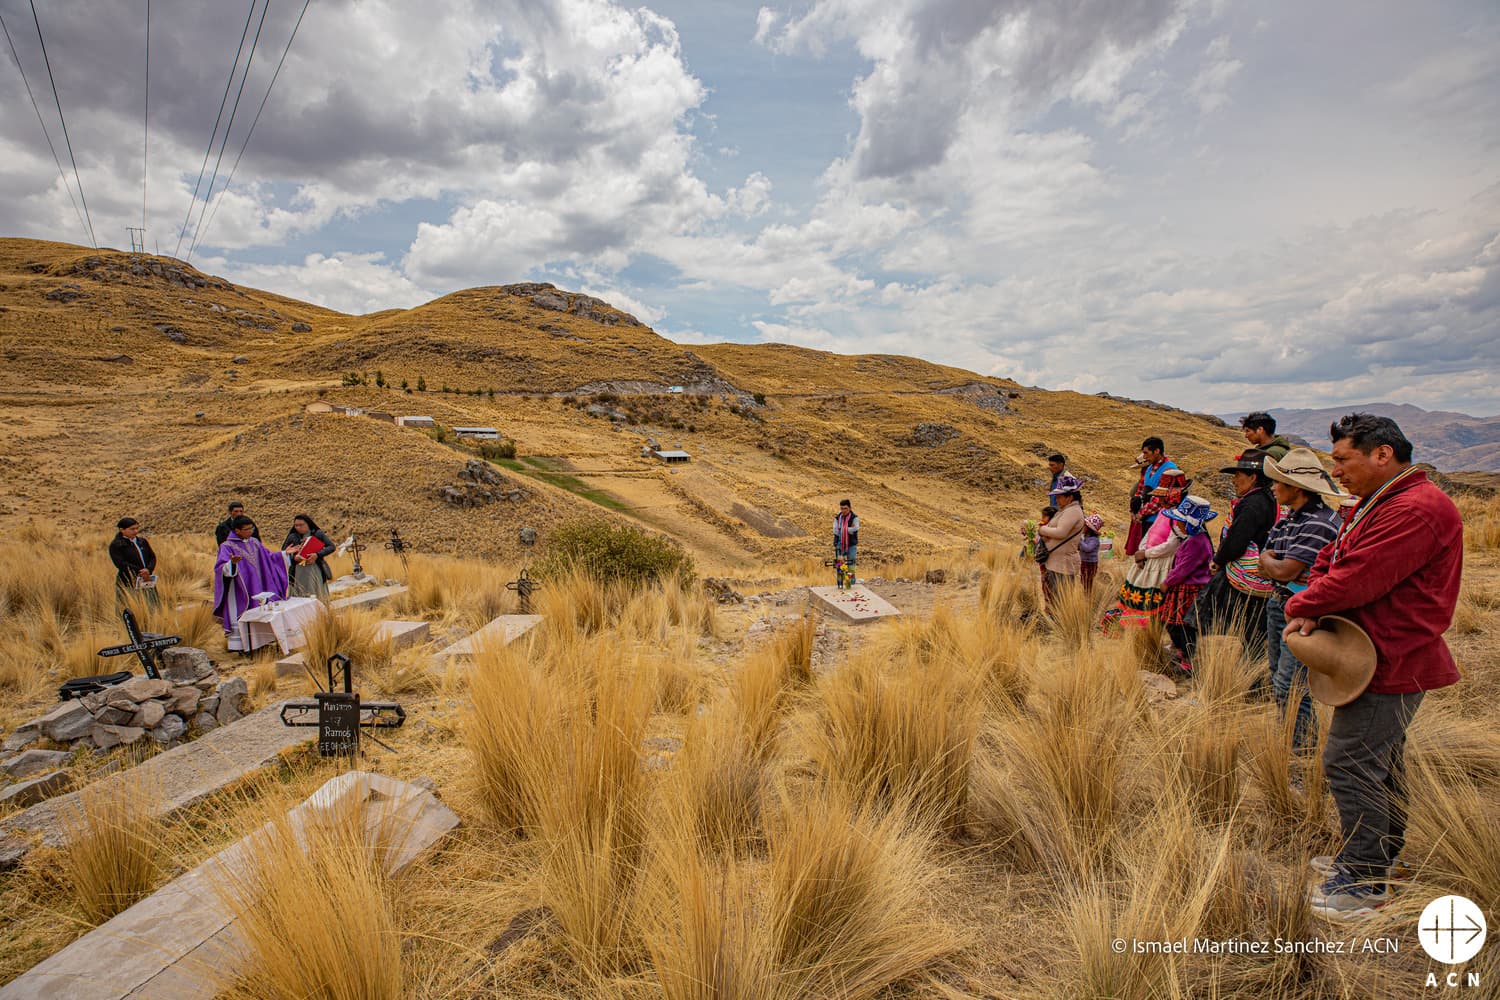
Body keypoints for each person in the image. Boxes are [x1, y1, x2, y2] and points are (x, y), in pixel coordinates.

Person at [1284, 415, 1462, 919]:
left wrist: (1301, 605)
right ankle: (1385, 857)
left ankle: (1364, 880)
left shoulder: (1414, 509)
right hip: (1376, 652)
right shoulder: (1382, 502)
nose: (1336, 471)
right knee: (1380, 761)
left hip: (1390, 657)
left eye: (1343, 459)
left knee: (1349, 761)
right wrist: (1317, 596)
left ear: (1382, 454)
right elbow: (1333, 559)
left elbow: (1358, 577)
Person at [1258, 448, 1346, 752]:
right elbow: (1269, 564)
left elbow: (1283, 569)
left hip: (1303, 611)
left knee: (1290, 685)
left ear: (1296, 487)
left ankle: (1303, 750)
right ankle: (1294, 739)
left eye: (1278, 482)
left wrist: (1272, 563)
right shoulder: (1291, 519)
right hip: (1281, 602)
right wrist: (1273, 564)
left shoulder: (1318, 523)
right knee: (1278, 677)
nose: (1273, 487)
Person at [1177, 449, 1278, 674]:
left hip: (1241, 576)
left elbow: (1236, 540)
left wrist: (1219, 560)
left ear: (1253, 477)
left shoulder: (1252, 504)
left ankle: (1191, 660)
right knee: (1254, 630)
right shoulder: (1269, 500)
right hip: (1260, 579)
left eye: (1238, 475)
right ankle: (1253, 674)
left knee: (1199, 616)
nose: (1234, 480)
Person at [1157, 497, 1218, 675]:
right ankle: (1181, 651)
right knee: (1175, 624)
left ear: (1190, 523)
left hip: (1188, 589)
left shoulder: (1197, 543)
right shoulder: (1196, 538)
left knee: (1183, 627)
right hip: (1185, 587)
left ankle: (1187, 661)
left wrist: (1167, 582)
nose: (1177, 524)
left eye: (1181, 521)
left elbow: (1183, 568)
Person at [213, 516, 289, 652]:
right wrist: (232, 564)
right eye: (246, 529)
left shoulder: (254, 542)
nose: (250, 531)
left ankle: (261, 643)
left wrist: (284, 554)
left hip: (259, 586)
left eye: (251, 528)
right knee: (242, 614)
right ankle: (241, 647)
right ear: (237, 530)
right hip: (239, 589)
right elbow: (220, 568)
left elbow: (269, 557)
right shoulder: (226, 546)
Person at [1126, 437, 1187, 556]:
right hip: (1145, 519)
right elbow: (1140, 489)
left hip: (1160, 521)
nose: (1144, 457)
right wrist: (1134, 510)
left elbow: (1161, 498)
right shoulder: (1149, 468)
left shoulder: (1170, 470)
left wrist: (1141, 513)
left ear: (1157, 451)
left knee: (1154, 553)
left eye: (1146, 453)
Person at [1037, 475, 1085, 612]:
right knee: (1055, 599)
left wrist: (1042, 530)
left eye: (1059, 497)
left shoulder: (1072, 512)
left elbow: (1061, 532)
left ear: (1069, 497)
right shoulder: (1067, 510)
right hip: (1057, 563)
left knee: (1059, 601)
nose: (1056, 500)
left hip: (1062, 565)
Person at [282, 513, 336, 602]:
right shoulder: (292, 537)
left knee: (316, 594)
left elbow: (331, 547)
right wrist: (294, 558)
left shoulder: (317, 534)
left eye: (301, 525)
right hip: (297, 572)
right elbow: (284, 553)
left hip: (314, 570)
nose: (298, 527)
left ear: (308, 524)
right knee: (299, 597)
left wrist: (317, 555)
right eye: (296, 525)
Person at [108, 517, 159, 611]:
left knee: (151, 605)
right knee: (128, 607)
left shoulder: (142, 541)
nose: (135, 531)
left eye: (137, 528)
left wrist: (148, 569)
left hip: (146, 578)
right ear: (122, 530)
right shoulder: (117, 545)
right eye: (132, 529)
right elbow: (120, 563)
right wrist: (140, 571)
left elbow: (152, 557)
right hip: (128, 580)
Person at [834, 499, 859, 583]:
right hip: (839, 543)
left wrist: (843, 529)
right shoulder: (837, 518)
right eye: (842, 508)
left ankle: (850, 582)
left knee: (851, 564)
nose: (843, 511)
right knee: (840, 565)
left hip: (851, 544)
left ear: (850, 508)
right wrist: (849, 529)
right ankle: (840, 583)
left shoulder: (854, 517)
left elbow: (856, 528)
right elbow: (835, 531)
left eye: (845, 508)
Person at [1078, 513, 1104, 593]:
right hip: (1084, 562)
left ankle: (1088, 595)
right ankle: (1085, 594)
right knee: (1083, 580)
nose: (1082, 528)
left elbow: (1087, 548)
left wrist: (1080, 540)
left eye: (1084, 526)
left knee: (1088, 581)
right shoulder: (1086, 538)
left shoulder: (1094, 540)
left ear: (1089, 529)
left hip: (1090, 564)